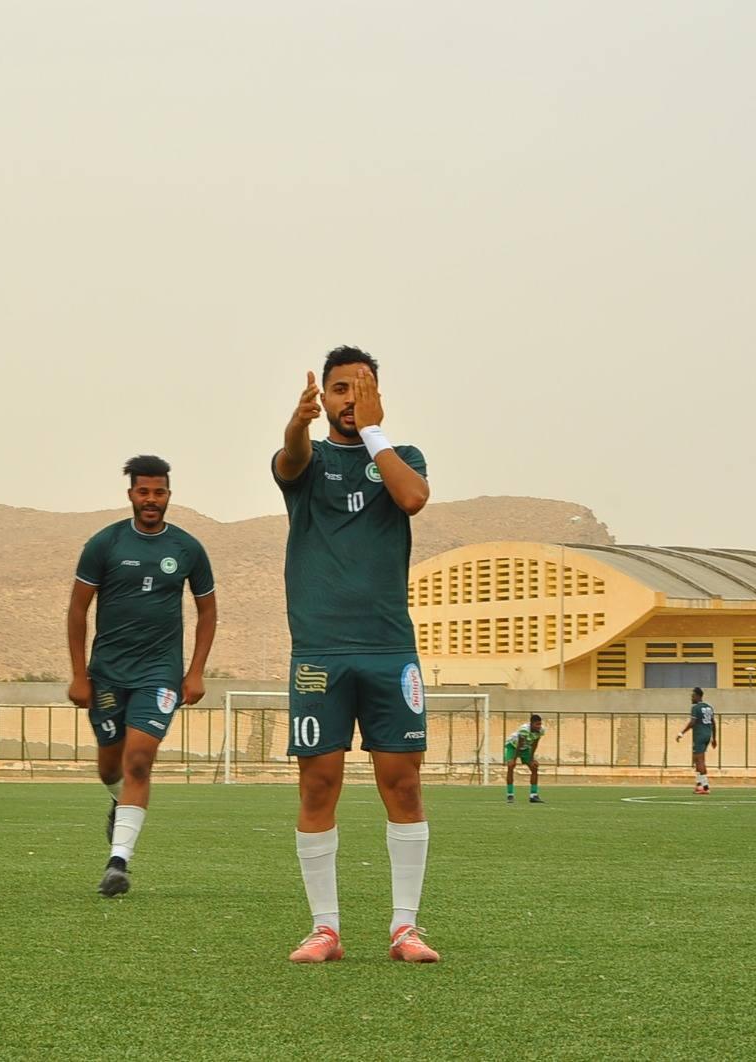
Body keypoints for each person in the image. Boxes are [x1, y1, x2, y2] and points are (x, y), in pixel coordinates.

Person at [273, 345, 438, 964]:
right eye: (339, 389)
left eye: (360, 389)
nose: (348, 400)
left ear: (376, 396)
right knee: (318, 784)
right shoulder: (308, 460)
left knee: (403, 783)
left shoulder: (402, 457)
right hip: (320, 651)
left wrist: (374, 432)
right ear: (326, 396)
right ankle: (325, 929)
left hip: (389, 649)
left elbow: (414, 498)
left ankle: (405, 928)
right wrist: (297, 424)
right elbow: (290, 460)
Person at [66, 455, 218, 898]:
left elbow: (207, 612)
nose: (152, 500)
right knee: (110, 765)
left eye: (159, 492)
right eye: (144, 492)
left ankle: (118, 863)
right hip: (108, 673)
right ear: (131, 494)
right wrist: (79, 675)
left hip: (160, 673)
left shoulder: (187, 548)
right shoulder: (105, 544)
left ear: (169, 495)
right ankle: (119, 801)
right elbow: (78, 609)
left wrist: (195, 672)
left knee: (139, 759)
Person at [675, 687, 717, 794]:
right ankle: (699, 784)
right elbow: (713, 723)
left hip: (699, 735)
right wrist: (714, 738)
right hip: (707, 735)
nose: (691, 698)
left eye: (693, 696)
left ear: (698, 696)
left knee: (700, 760)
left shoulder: (696, 708)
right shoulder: (709, 707)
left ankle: (705, 787)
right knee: (696, 759)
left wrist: (681, 733)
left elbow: (693, 722)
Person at [504, 714, 545, 803]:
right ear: (531, 724)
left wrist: (532, 759)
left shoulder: (541, 730)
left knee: (534, 767)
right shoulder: (524, 730)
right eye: (537, 724)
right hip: (513, 746)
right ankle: (510, 795)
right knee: (511, 766)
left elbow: (535, 744)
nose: (539, 726)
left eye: (540, 724)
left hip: (525, 748)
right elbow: (520, 744)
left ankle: (533, 795)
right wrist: (514, 759)